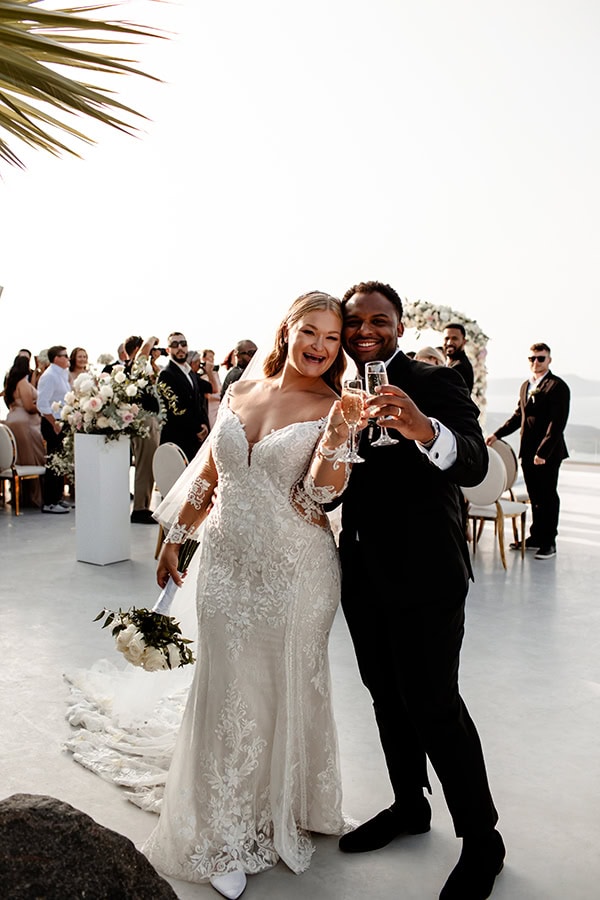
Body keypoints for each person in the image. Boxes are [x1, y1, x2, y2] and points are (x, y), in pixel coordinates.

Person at [144, 292, 351, 899]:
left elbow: (321, 496)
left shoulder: (336, 405)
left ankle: (297, 800)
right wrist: (174, 538)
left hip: (296, 570)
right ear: (286, 330)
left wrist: (341, 432)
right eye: (310, 331)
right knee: (229, 686)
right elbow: (210, 472)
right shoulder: (237, 390)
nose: (319, 346)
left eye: (332, 339)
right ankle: (221, 830)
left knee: (287, 683)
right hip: (226, 564)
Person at [336, 281, 505, 900]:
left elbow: (474, 466)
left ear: (400, 328)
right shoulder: (335, 386)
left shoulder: (435, 382)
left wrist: (422, 428)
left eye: (378, 321)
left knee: (434, 701)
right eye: (354, 322)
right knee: (384, 694)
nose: (364, 331)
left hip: (429, 574)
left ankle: (483, 840)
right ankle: (410, 806)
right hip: (360, 571)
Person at [486, 343, 570, 560]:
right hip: (527, 452)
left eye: (540, 358)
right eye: (532, 358)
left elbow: (557, 424)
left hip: (548, 453)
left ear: (549, 360)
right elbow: (518, 417)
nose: (536, 362)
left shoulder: (558, 386)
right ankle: (536, 537)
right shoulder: (525, 386)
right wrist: (497, 435)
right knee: (535, 497)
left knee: (548, 496)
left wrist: (543, 452)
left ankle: (549, 542)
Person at [157, 332, 211, 463]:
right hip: (176, 439)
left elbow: (199, 401)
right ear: (168, 350)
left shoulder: (190, 373)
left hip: (194, 439)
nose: (180, 347)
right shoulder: (166, 374)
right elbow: (176, 409)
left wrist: (204, 425)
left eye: (183, 344)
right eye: (175, 345)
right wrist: (197, 429)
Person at [3, 355, 45, 507]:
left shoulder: (11, 384)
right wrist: (43, 408)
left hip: (13, 420)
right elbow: (29, 406)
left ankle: (22, 497)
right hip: (26, 423)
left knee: (19, 459)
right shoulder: (23, 384)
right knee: (34, 458)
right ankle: (35, 497)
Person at [37, 345, 72, 514]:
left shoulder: (62, 375)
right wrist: (54, 423)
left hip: (62, 422)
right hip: (53, 424)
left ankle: (58, 498)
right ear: (56, 358)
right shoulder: (49, 376)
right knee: (53, 462)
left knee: (61, 462)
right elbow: (42, 403)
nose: (68, 358)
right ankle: (49, 502)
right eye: (64, 355)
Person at [443, 323, 474, 392]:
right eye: (446, 338)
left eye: (454, 339)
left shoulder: (460, 367)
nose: (449, 343)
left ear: (464, 341)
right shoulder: (450, 362)